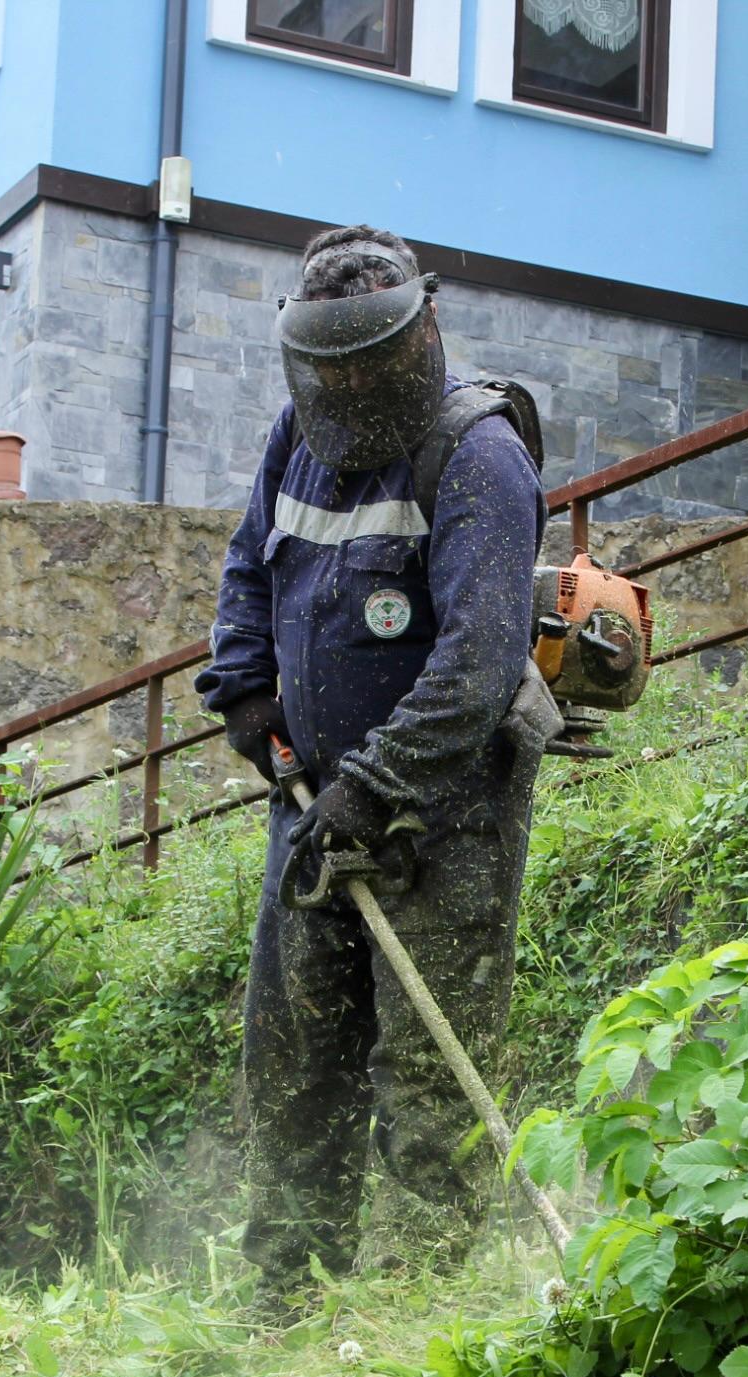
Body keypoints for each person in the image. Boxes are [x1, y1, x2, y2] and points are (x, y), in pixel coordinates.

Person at [194, 224, 552, 1309]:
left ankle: (419, 1314)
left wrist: (377, 785)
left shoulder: (478, 454)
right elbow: (246, 571)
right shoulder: (293, 442)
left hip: (443, 814)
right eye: (331, 361)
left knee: (427, 1081)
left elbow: (480, 662)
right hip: (313, 802)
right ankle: (286, 1300)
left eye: (368, 358)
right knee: (294, 1059)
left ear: (418, 327)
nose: (350, 380)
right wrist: (246, 689)